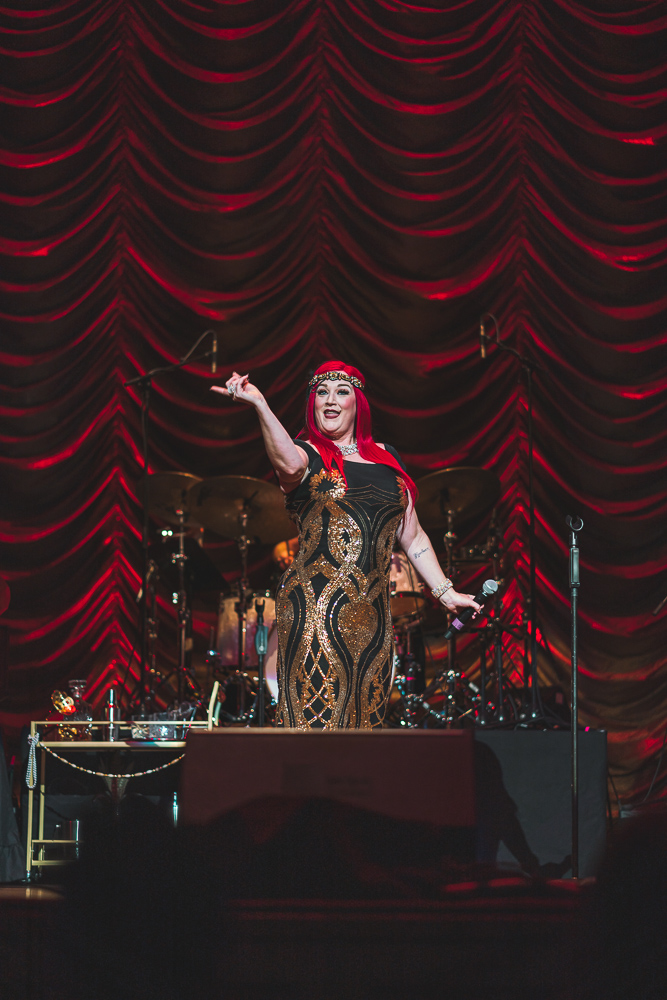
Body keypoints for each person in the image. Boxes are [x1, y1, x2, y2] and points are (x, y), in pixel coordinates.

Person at [212, 360, 479, 730]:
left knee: (363, 728)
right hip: (314, 613)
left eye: (341, 392)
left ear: (359, 404)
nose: (330, 400)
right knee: (315, 726)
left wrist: (447, 594)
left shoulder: (388, 458)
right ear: (312, 404)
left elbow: (412, 535)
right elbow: (288, 465)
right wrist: (260, 404)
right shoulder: (307, 454)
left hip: (372, 619)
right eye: (321, 393)